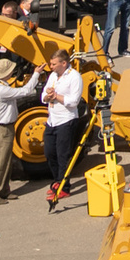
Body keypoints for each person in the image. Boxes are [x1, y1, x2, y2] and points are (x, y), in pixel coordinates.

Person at [0, 60, 45, 205]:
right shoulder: (2, 89)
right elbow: (25, 91)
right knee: (0, 163)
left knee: (6, 161)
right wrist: (36, 74)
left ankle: (3, 190)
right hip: (3, 130)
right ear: (7, 73)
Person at [41, 49, 87, 209]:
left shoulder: (75, 77)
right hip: (52, 120)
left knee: (63, 155)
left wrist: (56, 97)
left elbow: (74, 101)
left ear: (63, 63)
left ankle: (64, 187)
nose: (51, 66)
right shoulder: (53, 76)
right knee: (49, 153)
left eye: (53, 64)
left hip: (66, 121)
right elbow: (43, 95)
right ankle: (57, 181)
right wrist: (47, 96)